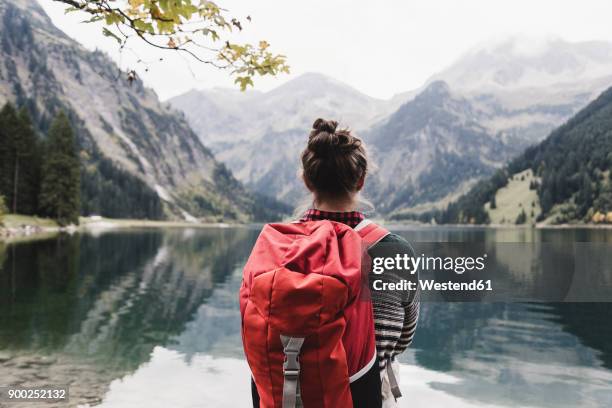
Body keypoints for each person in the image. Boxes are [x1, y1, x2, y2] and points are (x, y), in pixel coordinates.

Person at [240, 118, 419, 408]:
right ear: (361, 180)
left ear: (307, 181)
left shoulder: (274, 249)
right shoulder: (393, 252)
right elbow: (402, 339)